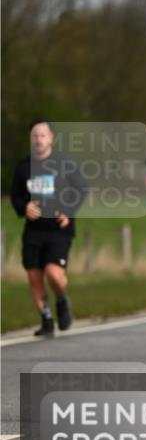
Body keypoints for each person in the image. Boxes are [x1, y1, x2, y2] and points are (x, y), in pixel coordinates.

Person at [10, 120, 87, 337]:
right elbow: (15, 195)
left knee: (53, 274)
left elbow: (81, 189)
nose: (38, 140)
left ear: (51, 137)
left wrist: (68, 211)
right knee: (34, 276)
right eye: (35, 136)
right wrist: (24, 207)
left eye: (43, 135)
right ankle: (46, 319)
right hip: (34, 230)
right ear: (31, 139)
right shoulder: (23, 167)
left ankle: (62, 300)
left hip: (58, 228)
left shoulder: (64, 164)